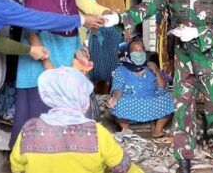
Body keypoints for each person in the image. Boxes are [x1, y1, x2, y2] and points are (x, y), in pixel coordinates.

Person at [118, 0, 213, 171]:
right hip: (184, 60)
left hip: (210, 62)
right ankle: (184, 160)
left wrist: (199, 33)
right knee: (183, 111)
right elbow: (149, 7)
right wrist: (119, 17)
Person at [0, 0, 103, 150]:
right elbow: (33, 21)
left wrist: (75, 51)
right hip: (42, 66)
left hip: (55, 60)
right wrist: (81, 20)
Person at [10, 67, 143, 173]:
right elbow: (122, 167)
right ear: (81, 98)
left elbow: (16, 167)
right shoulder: (96, 132)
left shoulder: (29, 130)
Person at [72, 0, 123, 95]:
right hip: (94, 31)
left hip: (105, 32)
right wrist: (107, 12)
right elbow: (89, 5)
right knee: (91, 72)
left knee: (105, 67)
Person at [106, 40, 174, 141]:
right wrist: (114, 98)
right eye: (135, 50)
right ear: (128, 53)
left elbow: (163, 89)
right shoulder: (121, 70)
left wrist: (156, 71)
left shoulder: (151, 68)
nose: (139, 53)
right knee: (117, 102)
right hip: (130, 107)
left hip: (151, 105)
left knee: (170, 99)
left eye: (142, 50)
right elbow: (118, 88)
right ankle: (125, 129)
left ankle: (158, 130)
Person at [154, 0, 175, 77]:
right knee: (166, 50)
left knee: (177, 49)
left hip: (178, 21)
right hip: (165, 22)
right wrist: (157, 24)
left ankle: (178, 75)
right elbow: (157, 6)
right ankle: (169, 75)